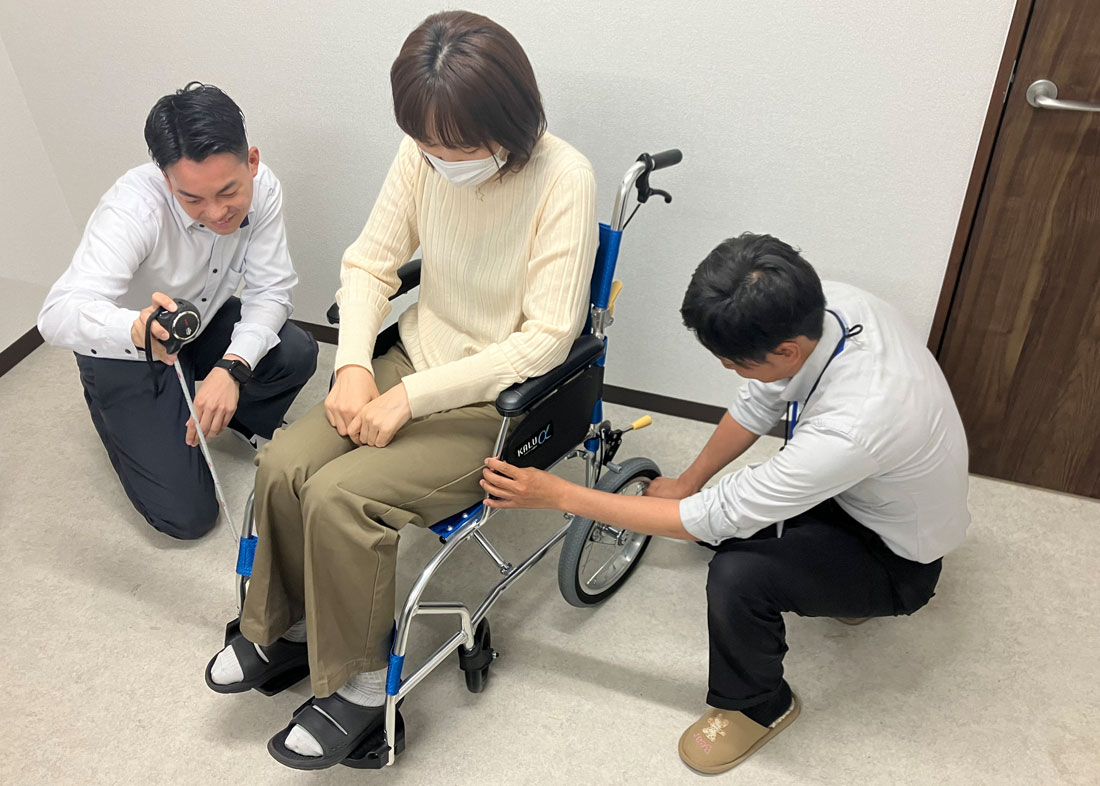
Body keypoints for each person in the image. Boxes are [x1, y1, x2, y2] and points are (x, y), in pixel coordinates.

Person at [204, 10, 598, 770]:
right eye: (426, 147)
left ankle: (359, 692)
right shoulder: (424, 152)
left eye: (457, 150)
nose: (439, 163)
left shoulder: (565, 179)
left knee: (341, 497)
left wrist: (410, 400)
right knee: (284, 462)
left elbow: (547, 339)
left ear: (509, 125)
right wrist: (354, 365)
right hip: (408, 358)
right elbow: (369, 261)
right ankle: (288, 632)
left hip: (492, 401)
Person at [481, 233, 970, 775]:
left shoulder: (855, 424)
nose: (728, 370)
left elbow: (706, 520)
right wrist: (689, 480)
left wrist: (560, 495)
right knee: (730, 515)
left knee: (737, 575)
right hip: (863, 491)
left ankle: (760, 706)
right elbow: (759, 400)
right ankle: (830, 580)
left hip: (897, 557)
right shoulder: (828, 306)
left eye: (734, 362)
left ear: (787, 351)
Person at [38, 82, 318, 540]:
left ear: (252, 161)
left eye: (228, 191)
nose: (217, 212)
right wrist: (134, 328)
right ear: (169, 182)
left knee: (294, 350)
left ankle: (231, 415)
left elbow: (271, 291)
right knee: (188, 518)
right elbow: (56, 314)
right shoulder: (133, 208)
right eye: (193, 199)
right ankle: (117, 412)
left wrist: (232, 368)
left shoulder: (264, 188)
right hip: (130, 345)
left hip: (197, 321)